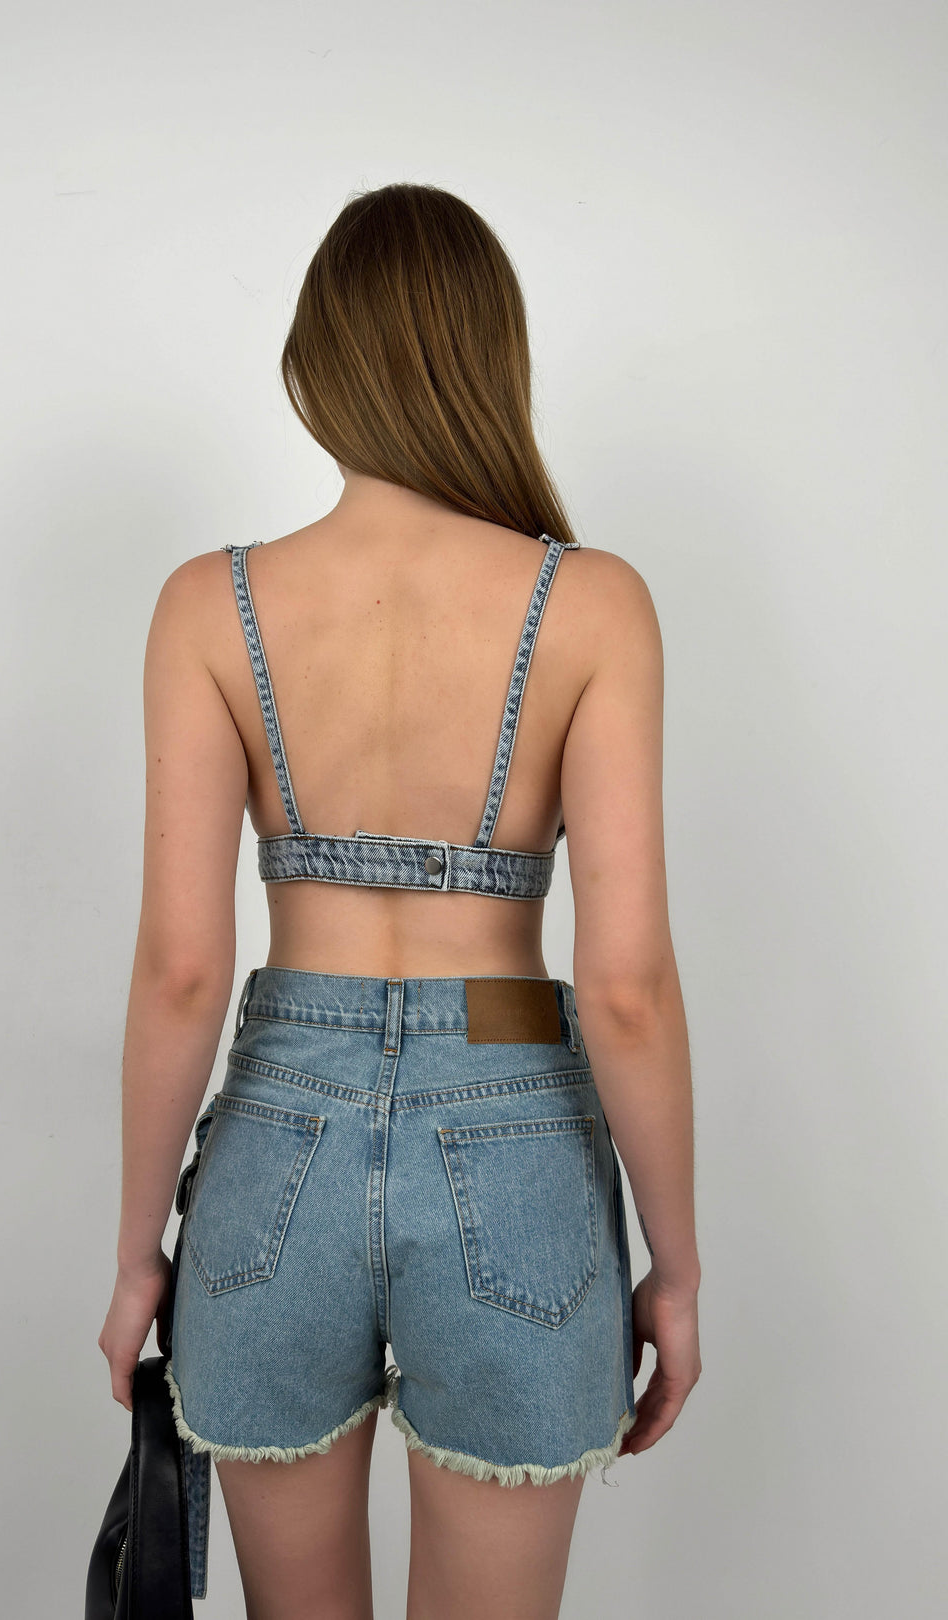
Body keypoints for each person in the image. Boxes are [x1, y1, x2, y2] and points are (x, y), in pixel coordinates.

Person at [98, 182, 701, 1620]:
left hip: (277, 1141)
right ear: (492, 358)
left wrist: (134, 1260)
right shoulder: (592, 604)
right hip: (515, 1113)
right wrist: (675, 1269)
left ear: (319, 362)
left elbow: (183, 970)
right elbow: (623, 987)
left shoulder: (210, 605)